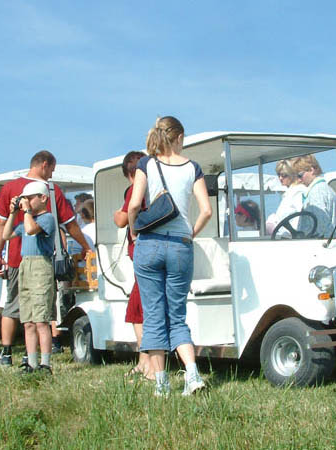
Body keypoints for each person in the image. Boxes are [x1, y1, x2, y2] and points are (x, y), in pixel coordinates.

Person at [127, 116, 212, 397]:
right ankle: (192, 375)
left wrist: (134, 232)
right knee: (177, 316)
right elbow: (206, 211)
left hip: (149, 244)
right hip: (180, 246)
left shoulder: (146, 164)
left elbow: (135, 205)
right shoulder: (193, 168)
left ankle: (161, 384)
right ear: (179, 137)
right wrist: (190, 234)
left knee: (153, 315)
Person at [0, 150, 92, 366]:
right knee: (37, 311)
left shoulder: (10, 187)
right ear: (44, 165)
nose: (51, 175)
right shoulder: (51, 191)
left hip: (16, 257)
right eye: (51, 171)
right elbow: (70, 224)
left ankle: (8, 352)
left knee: (13, 306)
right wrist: (85, 246)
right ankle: (31, 355)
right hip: (32, 260)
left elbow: (0, 226)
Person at [1, 181, 57, 373]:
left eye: (30, 198)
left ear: (43, 198)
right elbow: (7, 234)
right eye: (25, 198)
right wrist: (12, 213)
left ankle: (45, 363)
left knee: (41, 319)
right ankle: (31, 362)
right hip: (25, 265)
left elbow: (32, 230)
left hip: (41, 265)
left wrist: (25, 213)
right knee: (28, 320)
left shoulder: (47, 218)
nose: (27, 202)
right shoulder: (26, 218)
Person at [114, 151, 153, 380]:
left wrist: (116, 215)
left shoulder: (134, 189)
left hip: (141, 253)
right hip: (156, 251)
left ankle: (146, 362)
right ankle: (143, 361)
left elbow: (122, 218)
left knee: (137, 310)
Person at [292, 155, 336, 238]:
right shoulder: (328, 189)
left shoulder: (316, 192)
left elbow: (320, 228)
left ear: (311, 170)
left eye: (300, 175)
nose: (298, 180)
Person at [265, 160, 308, 237]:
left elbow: (300, 217)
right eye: (278, 175)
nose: (280, 178)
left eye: (284, 175)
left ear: (292, 174)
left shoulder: (298, 192)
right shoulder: (288, 193)